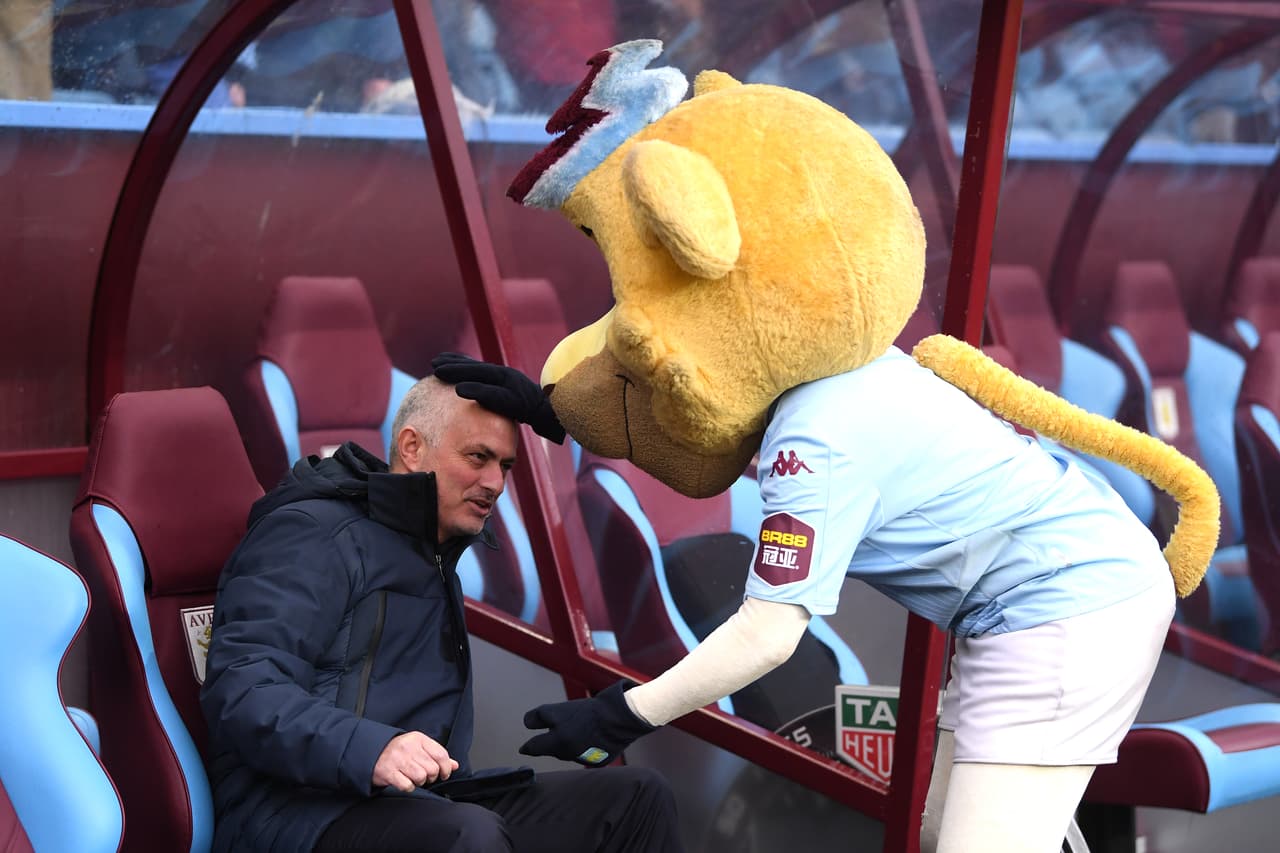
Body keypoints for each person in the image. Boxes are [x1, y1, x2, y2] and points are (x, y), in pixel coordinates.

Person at [200, 352, 684, 853]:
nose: (496, 483)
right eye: (478, 458)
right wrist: (372, 748)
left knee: (636, 798)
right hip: (299, 814)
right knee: (468, 835)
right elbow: (244, 688)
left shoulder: (433, 549)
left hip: (419, 804)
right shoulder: (314, 533)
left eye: (505, 465)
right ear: (412, 447)